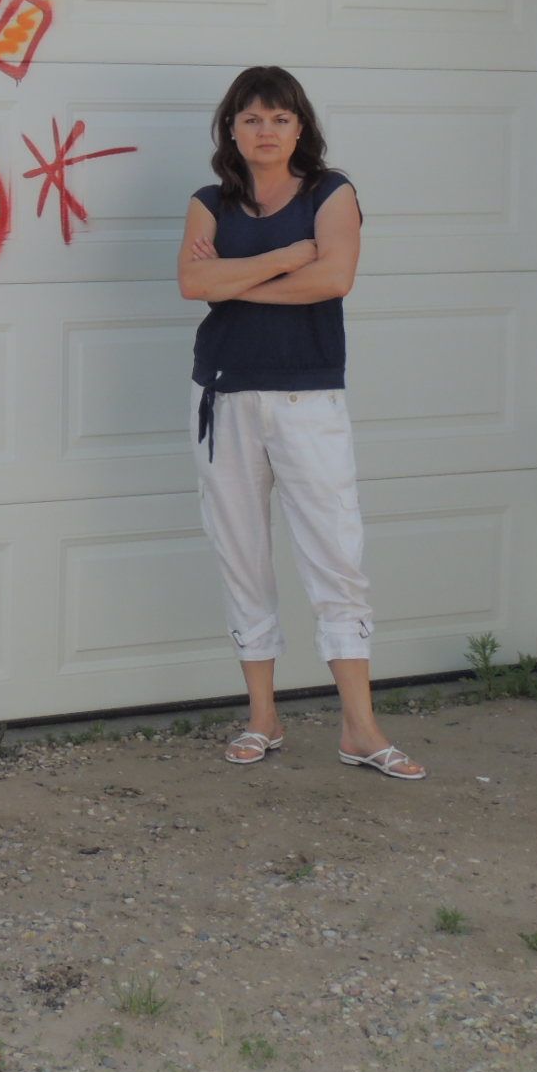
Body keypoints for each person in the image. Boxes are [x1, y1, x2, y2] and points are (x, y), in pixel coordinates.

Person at [174, 66, 424, 781]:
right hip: (224, 398)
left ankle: (360, 727)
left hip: (307, 400)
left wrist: (237, 276)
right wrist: (286, 255)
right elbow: (194, 283)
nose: (265, 131)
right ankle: (263, 717)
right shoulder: (208, 202)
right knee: (242, 554)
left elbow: (334, 279)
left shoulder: (330, 192)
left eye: (280, 119)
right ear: (231, 128)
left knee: (336, 557)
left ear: (301, 128)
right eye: (251, 119)